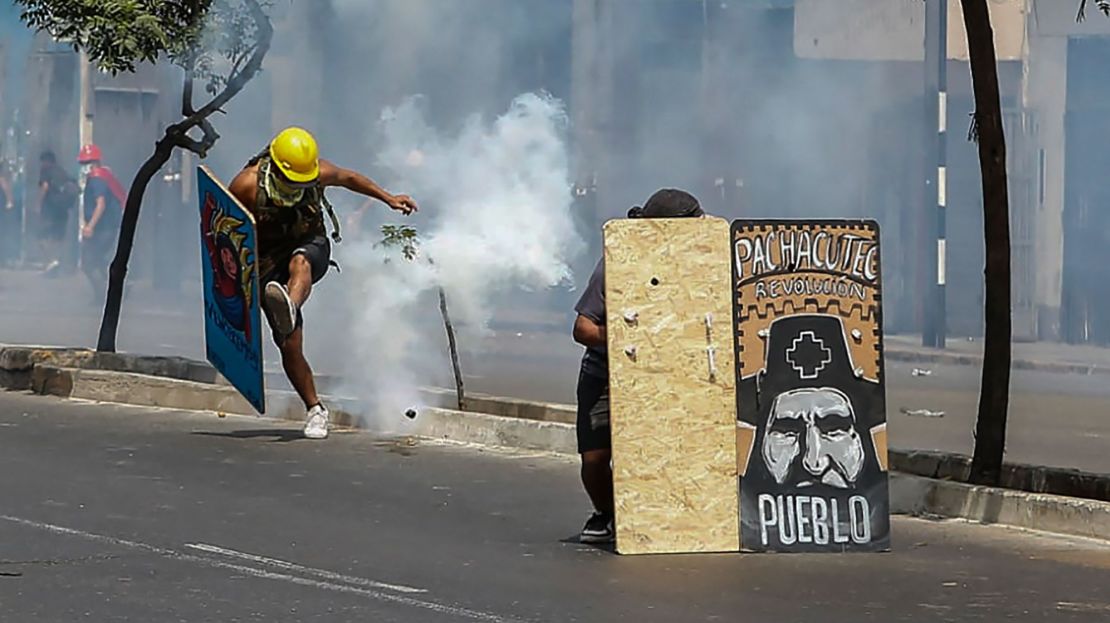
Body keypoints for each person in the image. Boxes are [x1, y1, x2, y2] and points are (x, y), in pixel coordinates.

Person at [228, 127, 418, 440]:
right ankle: (316, 409)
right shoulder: (247, 185)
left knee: (300, 262)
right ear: (274, 168)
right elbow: (226, 229)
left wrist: (388, 199)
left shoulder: (317, 173)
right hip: (265, 261)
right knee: (289, 343)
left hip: (309, 243)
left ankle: (289, 303)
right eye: (290, 183)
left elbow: (350, 179)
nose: (296, 188)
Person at [572, 188, 706, 544]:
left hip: (668, 376)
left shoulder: (703, 263)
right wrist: (634, 340)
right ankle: (606, 514)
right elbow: (583, 329)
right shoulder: (618, 263)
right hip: (607, 373)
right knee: (595, 460)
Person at [77, 144, 126, 300]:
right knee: (96, 260)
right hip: (105, 227)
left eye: (87, 163)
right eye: (83, 163)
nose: (85, 167)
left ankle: (105, 294)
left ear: (95, 162)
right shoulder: (102, 176)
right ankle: (113, 288)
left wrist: (90, 226)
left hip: (103, 228)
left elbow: (100, 204)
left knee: (89, 262)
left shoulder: (97, 178)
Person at [36, 150, 79, 274]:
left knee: (41, 236)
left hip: (50, 209)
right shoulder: (62, 172)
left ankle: (52, 260)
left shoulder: (46, 171)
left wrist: (38, 205)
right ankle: (56, 261)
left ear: (46, 161)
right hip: (63, 209)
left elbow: (44, 188)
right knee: (58, 236)